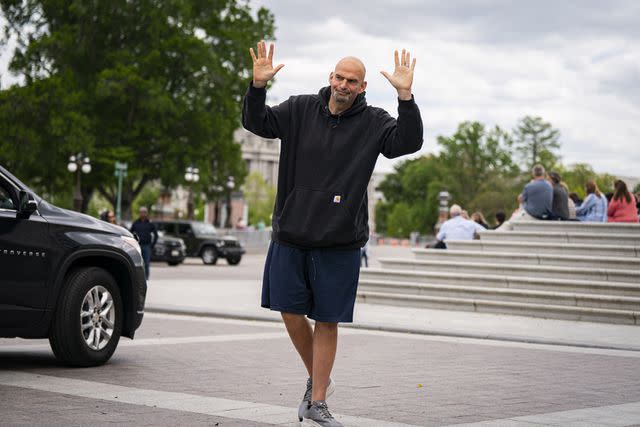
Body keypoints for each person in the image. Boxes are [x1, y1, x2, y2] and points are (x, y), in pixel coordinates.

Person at [243, 40, 423, 426]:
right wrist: (257, 88)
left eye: (352, 81)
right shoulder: (299, 108)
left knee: (327, 320)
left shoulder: (375, 122)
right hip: (291, 233)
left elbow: (408, 142)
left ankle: (318, 399)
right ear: (330, 78)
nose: (343, 84)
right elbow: (256, 123)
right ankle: (320, 377)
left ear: (362, 88)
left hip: (340, 242)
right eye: (339, 77)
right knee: (289, 313)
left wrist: (405, 98)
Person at [498, 164, 553, 230]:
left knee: (508, 223)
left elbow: (520, 199)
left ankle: (494, 234)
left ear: (533, 174)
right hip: (546, 216)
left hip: (533, 216)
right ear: (543, 173)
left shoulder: (529, 186)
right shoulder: (549, 185)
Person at [130, 206, 158, 280]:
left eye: (144, 212)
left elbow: (156, 235)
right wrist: (133, 243)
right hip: (138, 246)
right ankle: (139, 279)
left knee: (146, 263)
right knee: (138, 263)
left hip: (147, 246)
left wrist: (152, 245)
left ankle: (146, 278)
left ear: (146, 213)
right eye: (141, 212)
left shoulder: (150, 223)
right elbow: (130, 233)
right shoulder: (135, 223)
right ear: (139, 213)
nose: (142, 214)